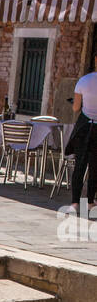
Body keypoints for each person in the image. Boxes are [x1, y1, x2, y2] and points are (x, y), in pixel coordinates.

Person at [62, 58, 97, 217]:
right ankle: (90, 203)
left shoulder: (83, 81)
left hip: (84, 128)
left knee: (80, 165)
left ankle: (75, 203)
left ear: (95, 60)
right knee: (95, 167)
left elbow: (76, 108)